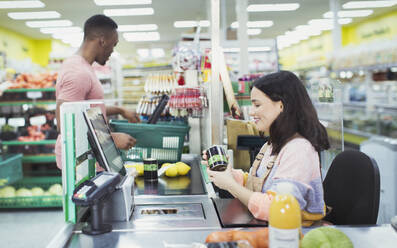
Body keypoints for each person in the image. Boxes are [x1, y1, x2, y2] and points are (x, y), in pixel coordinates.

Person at [203, 70, 330, 225]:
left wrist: (230, 185)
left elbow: (279, 208)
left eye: (257, 105)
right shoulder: (271, 144)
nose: (251, 111)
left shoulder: (299, 150)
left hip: (294, 235)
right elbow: (259, 186)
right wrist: (228, 174)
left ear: (281, 105)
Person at [55, 14, 139, 169]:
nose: (112, 51)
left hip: (88, 157)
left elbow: (86, 109)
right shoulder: (77, 72)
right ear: (102, 41)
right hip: (79, 164)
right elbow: (64, 125)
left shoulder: (84, 66)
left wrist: (120, 110)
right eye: (113, 45)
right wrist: (110, 139)